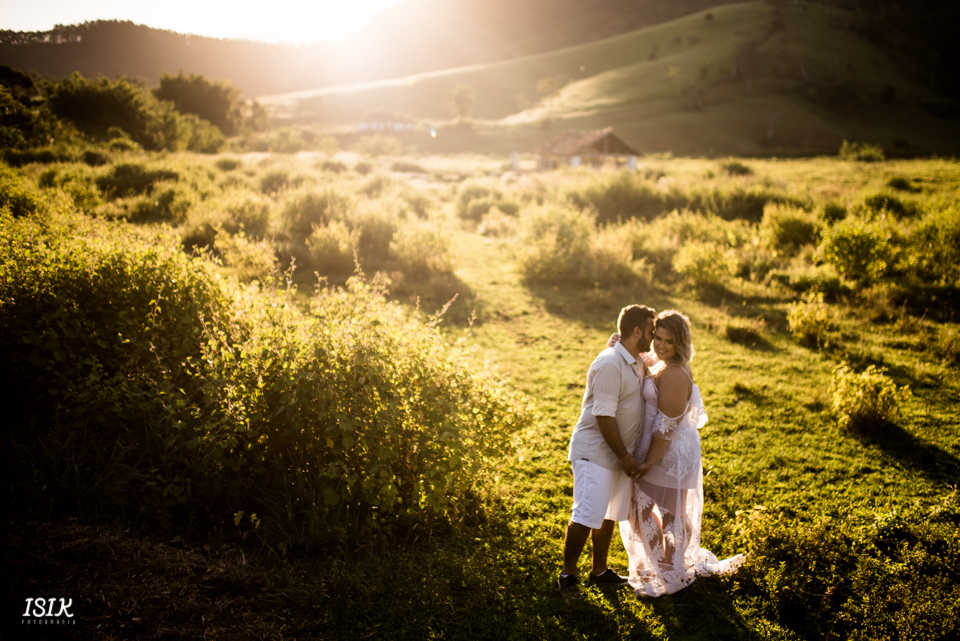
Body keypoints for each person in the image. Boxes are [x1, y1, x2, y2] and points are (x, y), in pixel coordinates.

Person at [619, 310, 745, 597]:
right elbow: (644, 358)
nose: (660, 345)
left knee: (653, 512)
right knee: (662, 512)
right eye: (657, 337)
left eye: (668, 341)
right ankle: (668, 565)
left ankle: (669, 570)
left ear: (681, 343)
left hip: (668, 453)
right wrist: (619, 342)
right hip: (666, 450)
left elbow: (666, 426)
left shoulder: (675, 372)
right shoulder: (663, 361)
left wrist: (649, 460)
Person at [558, 304, 657, 599]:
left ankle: (599, 571)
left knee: (608, 515)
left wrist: (626, 456)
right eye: (651, 330)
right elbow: (604, 416)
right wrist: (625, 457)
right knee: (587, 514)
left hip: (618, 455)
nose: (653, 336)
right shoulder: (610, 363)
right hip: (597, 453)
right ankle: (567, 575)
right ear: (637, 331)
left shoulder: (635, 359)